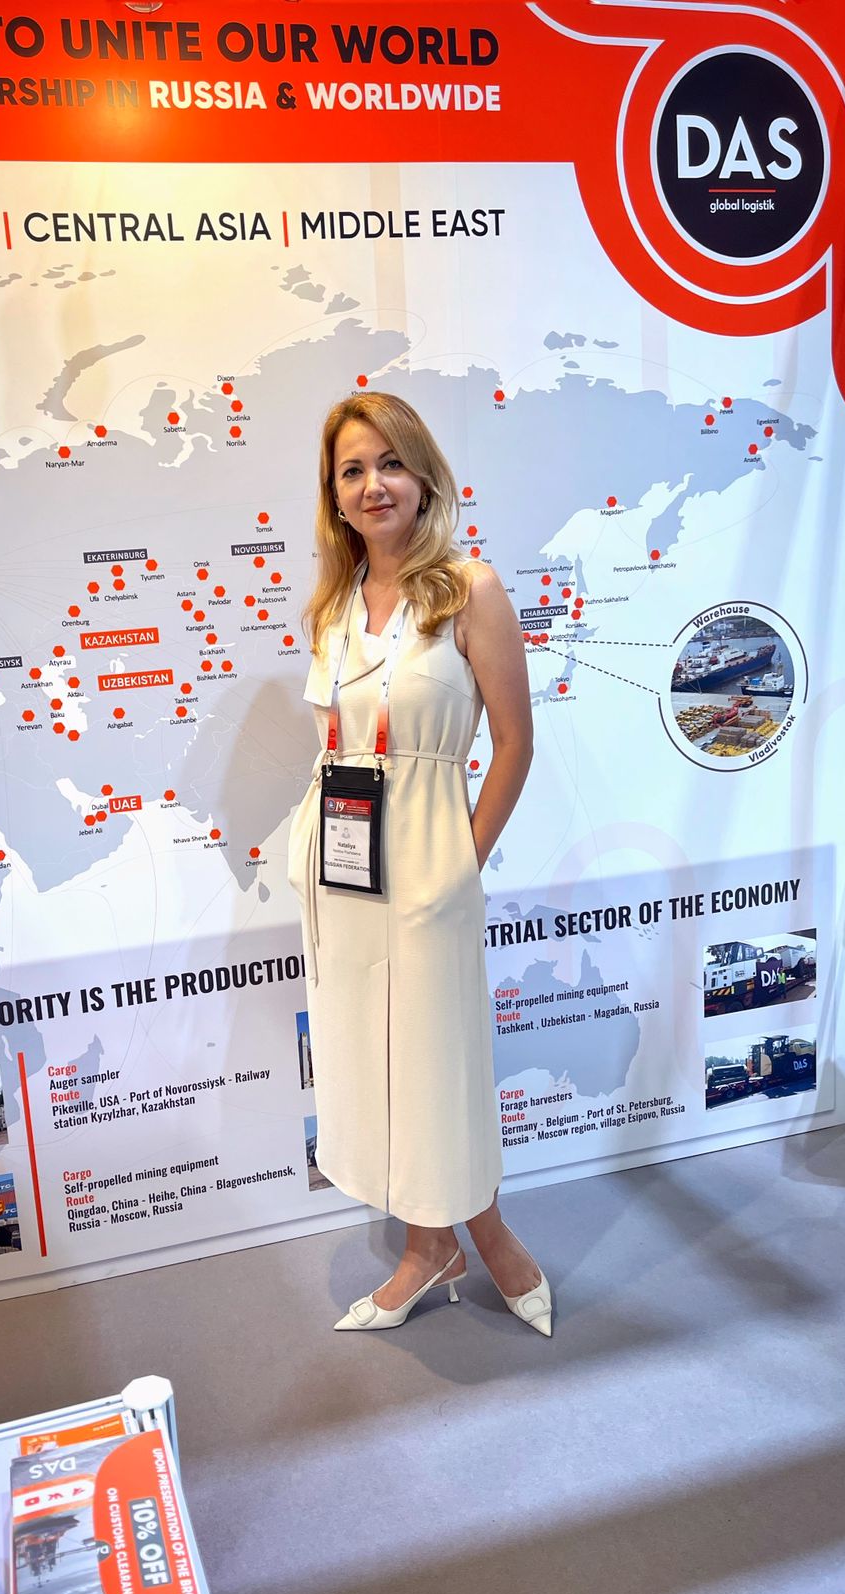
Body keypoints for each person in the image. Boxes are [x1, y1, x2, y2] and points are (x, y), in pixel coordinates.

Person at [287, 391, 552, 1336]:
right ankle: (429, 1245)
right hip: (344, 870)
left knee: (439, 1065)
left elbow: (515, 743)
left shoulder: (468, 589)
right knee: (372, 1063)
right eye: (352, 470)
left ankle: (478, 1240)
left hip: (431, 869)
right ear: (335, 494)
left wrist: (460, 866)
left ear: (423, 475)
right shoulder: (334, 606)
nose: (373, 485)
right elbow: (339, 746)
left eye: (389, 463)